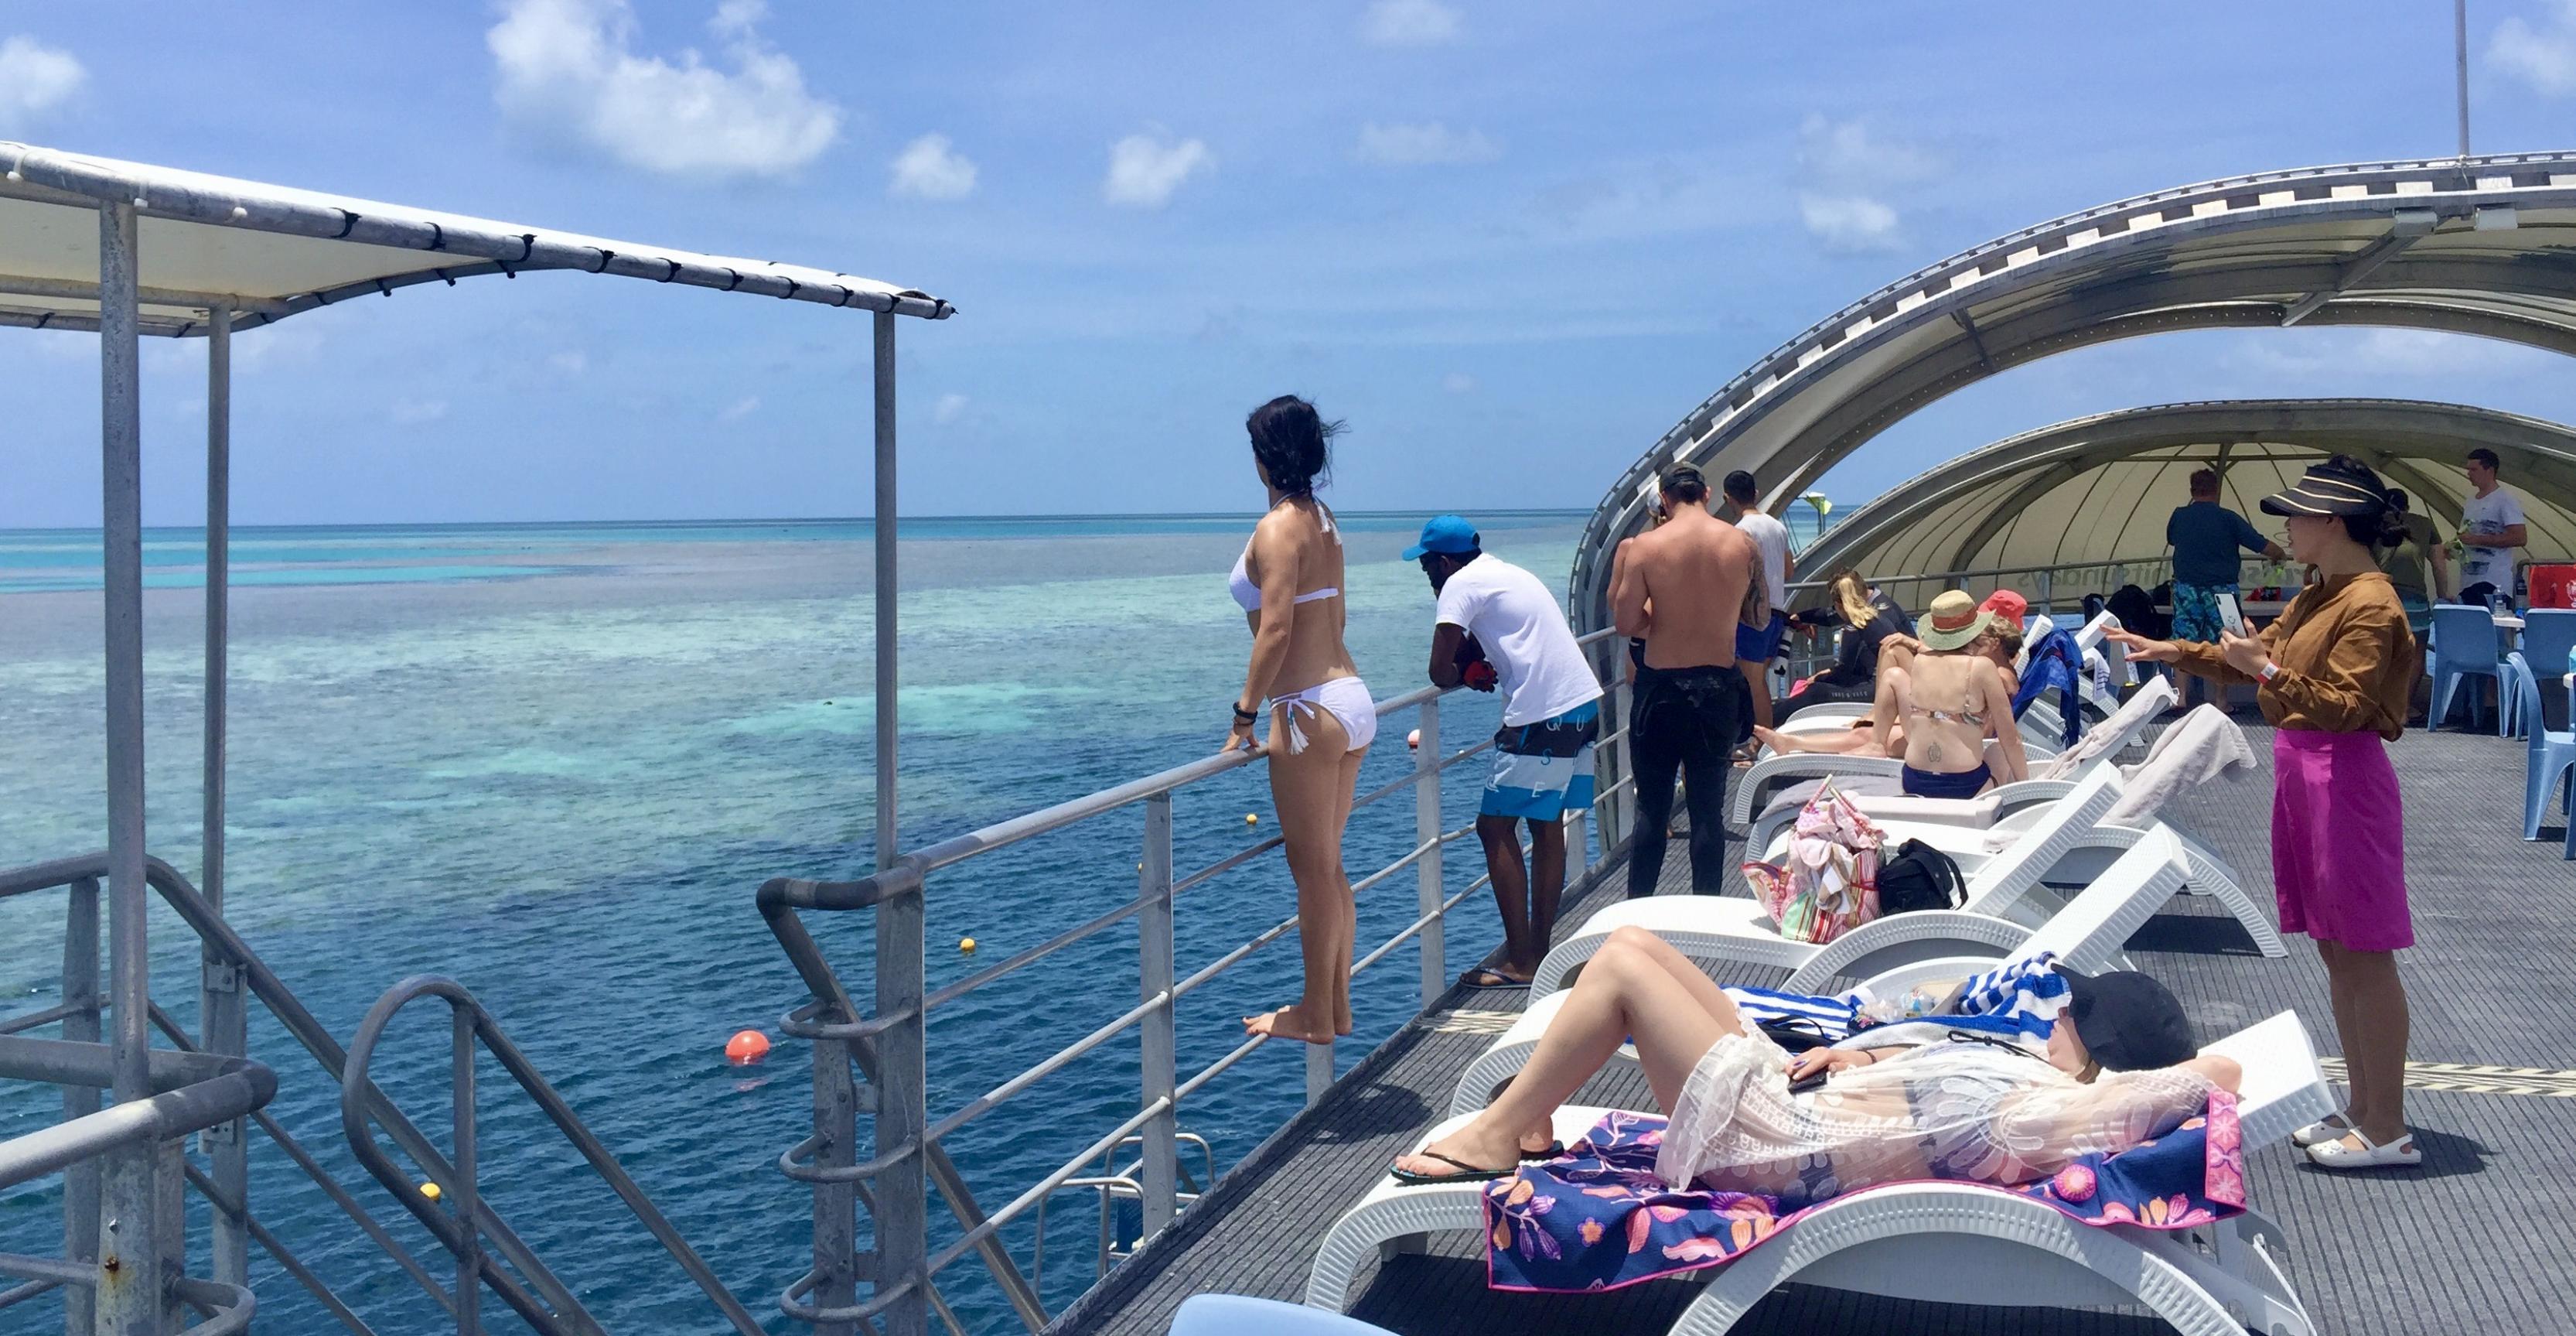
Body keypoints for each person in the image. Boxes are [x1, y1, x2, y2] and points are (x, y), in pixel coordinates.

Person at [1387, 924, 2240, 1190]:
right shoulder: (2024, 1071)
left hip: (1772, 1143)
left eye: (2070, 1020)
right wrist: (1862, 1062)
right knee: (1635, 941)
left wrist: (2115, 1084)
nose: (2050, 1013)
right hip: (1798, 1104)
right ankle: (1529, 1112)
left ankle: (1501, 1130)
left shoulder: (2048, 1107)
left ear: (2100, 1061)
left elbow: (2218, 1076)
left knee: (1616, 969)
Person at [2107, 456, 2421, 1170]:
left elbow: (2342, 703)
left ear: (2332, 523)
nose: (2288, 527)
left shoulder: (2369, 602)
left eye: (2298, 516)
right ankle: (2364, 1109)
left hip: (2343, 776)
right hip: (2309, 774)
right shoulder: (2322, 592)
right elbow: (2258, 653)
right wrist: (2173, 648)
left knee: (2365, 953)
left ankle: (2388, 1124)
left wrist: (2265, 671)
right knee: (2337, 949)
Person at [1225, 395, 1373, 1044]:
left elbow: (1277, 627)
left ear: (1264, 458)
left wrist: (1243, 715)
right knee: (1329, 866)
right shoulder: (1321, 518)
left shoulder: (1278, 527)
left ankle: (1316, 1012)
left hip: (1307, 709)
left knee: (1312, 870)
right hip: (1347, 697)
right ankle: (1334, 1007)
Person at [1412, 515, 1605, 989]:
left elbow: (1439, 670)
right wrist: (1474, 666)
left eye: (1426, 569)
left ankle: (1523, 959)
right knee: (1544, 824)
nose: (1427, 579)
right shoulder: (1508, 572)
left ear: (1443, 561)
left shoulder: (1459, 584)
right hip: (1580, 702)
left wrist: (1465, 674)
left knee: (1493, 827)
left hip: (1542, 714)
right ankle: (1538, 949)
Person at [1611, 463, 1757, 898]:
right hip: (1719, 688)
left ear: (1663, 498)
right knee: (1708, 811)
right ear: (1708, 494)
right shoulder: (1742, 544)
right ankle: (1706, 912)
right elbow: (1757, 614)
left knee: (1652, 812)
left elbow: (1625, 622)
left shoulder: (1645, 547)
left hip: (1662, 691)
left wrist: (1662, 617)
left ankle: (1636, 913)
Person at [1871, 590, 2028, 798]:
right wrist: (2028, 787)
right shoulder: (1982, 667)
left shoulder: (1920, 661)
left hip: (1913, 781)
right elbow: (2011, 739)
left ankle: (1874, 743)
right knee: (1999, 751)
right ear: (1974, 631)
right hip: (1964, 786)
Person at [2165, 468, 2286, 711]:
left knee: (2182, 640)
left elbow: (2172, 539)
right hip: (2222, 591)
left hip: (2187, 589)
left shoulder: (2179, 516)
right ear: (2216, 490)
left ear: (2192, 491)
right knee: (2224, 642)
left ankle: (2181, 698)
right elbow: (2263, 545)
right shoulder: (2229, 519)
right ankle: (2220, 701)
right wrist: (2280, 557)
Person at [1721, 470, 1795, 740]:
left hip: (1754, 616)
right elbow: (1789, 571)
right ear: (1756, 494)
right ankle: (1765, 739)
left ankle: (1762, 742)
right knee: (1759, 680)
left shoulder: (1741, 531)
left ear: (1727, 498)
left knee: (1751, 682)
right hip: (1777, 612)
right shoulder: (1778, 527)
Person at [1779, 569, 1911, 715]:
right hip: (1896, 681)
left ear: (1840, 604)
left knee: (1816, 692)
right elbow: (1830, 615)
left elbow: (1844, 670)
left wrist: (1818, 678)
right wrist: (1800, 618)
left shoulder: (1856, 623)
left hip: (1883, 688)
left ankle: (1767, 722)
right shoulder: (1875, 611)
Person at [2457, 447, 2527, 607]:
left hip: (2494, 583)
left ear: (2490, 470)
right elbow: (2467, 534)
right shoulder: (2471, 501)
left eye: (2474, 469)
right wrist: (2454, 548)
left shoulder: (2505, 499)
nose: (2469, 474)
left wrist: (2477, 540)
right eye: (2468, 470)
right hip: (2468, 581)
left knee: (2491, 629)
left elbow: (2520, 537)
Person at [2378, 488, 2448, 634]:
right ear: (2407, 508)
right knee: (2418, 653)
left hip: (2381, 596)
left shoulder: (2373, 525)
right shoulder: (2424, 523)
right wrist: (2443, 596)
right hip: (2414, 599)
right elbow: (2439, 565)